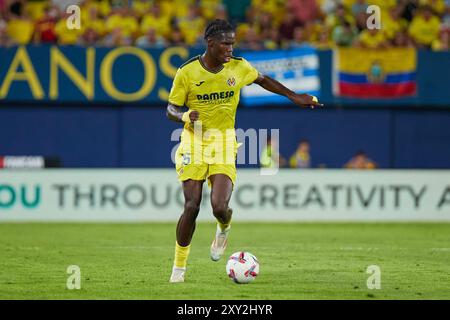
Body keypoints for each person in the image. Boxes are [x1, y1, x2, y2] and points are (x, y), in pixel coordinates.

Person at [166, 19, 322, 283]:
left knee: (218, 206)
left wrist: (294, 96)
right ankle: (179, 269)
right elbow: (170, 109)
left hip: (224, 142)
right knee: (191, 205)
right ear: (210, 43)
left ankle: (224, 226)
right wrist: (184, 117)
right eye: (225, 43)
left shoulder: (239, 67)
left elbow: (263, 80)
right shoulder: (187, 72)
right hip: (194, 142)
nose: (230, 48)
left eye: (232, 43)